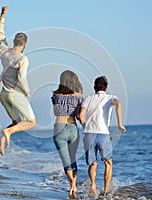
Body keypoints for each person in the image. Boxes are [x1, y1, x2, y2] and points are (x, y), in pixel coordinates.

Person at [0, 6, 36, 155]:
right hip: (14, 94)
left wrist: (2, 15)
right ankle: (7, 131)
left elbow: (0, 34)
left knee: (18, 123)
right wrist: (27, 92)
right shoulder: (23, 58)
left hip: (3, 95)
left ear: (14, 41)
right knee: (31, 122)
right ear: (24, 44)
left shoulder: (4, 51)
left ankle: (0, 141)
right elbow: (22, 78)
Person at [79, 76, 126, 197]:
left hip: (89, 134)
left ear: (94, 88)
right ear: (106, 87)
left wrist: (85, 127)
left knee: (92, 164)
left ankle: (93, 184)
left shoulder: (88, 99)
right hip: (103, 134)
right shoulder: (111, 98)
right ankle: (105, 192)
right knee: (108, 163)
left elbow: (80, 116)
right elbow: (119, 104)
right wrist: (120, 123)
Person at [51, 70, 83, 199]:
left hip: (59, 127)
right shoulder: (79, 96)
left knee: (65, 160)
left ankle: (72, 184)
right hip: (73, 127)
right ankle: (74, 184)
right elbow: (79, 114)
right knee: (72, 158)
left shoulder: (55, 95)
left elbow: (55, 113)